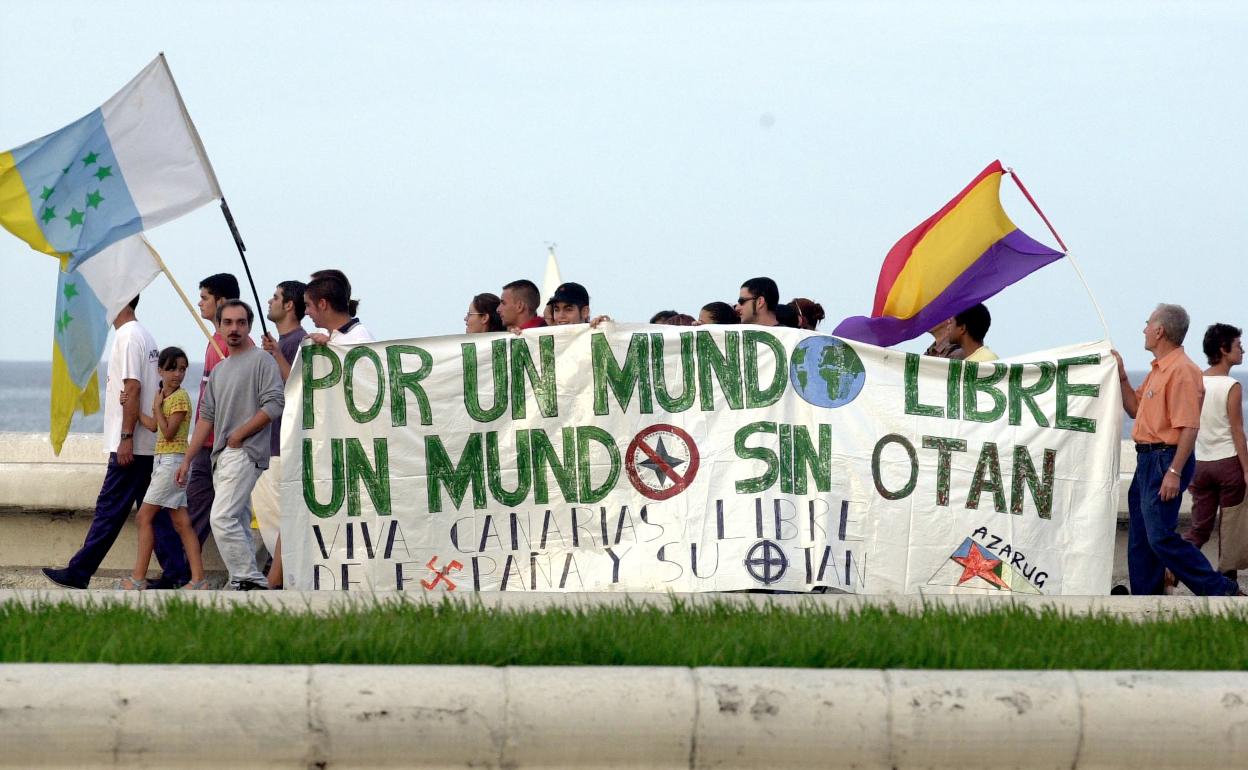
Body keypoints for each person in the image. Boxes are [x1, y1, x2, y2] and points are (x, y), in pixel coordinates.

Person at [42, 296, 189, 589]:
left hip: (132, 446)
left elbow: (132, 388)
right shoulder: (143, 335)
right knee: (155, 513)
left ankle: (79, 572)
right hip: (147, 445)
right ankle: (177, 574)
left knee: (109, 509)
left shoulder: (127, 335)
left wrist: (125, 438)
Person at [1113, 303, 1241, 596]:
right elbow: (1135, 409)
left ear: (1159, 331)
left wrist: (1174, 471)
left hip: (1164, 459)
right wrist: (1122, 377)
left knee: (1160, 537)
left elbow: (1189, 427)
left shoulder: (1182, 371)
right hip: (1146, 459)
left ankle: (1222, 590)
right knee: (1142, 538)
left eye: (1148, 324)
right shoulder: (1158, 370)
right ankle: (1146, 598)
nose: (1144, 329)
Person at [176, 300, 284, 590]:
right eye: (228, 323)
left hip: (246, 452)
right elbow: (206, 417)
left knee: (221, 517)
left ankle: (248, 577)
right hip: (220, 456)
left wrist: (239, 435)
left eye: (240, 322)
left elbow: (274, 404)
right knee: (237, 518)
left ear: (248, 325)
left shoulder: (262, 360)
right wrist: (187, 459)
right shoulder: (220, 370)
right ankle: (245, 581)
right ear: (220, 326)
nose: (234, 328)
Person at [119, 347, 208, 590]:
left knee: (144, 517)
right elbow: (152, 426)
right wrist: (132, 407)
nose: (177, 374)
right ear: (160, 370)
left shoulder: (178, 399)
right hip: (166, 462)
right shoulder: (165, 397)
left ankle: (138, 579)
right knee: (182, 523)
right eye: (171, 369)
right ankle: (198, 579)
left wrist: (157, 407)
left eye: (181, 369)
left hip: (171, 463)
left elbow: (168, 433)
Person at [256, 280, 309, 588]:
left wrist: (276, 355)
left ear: (289, 305)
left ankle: (284, 579)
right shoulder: (285, 342)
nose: (271, 301)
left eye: (276, 297)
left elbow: (296, 390)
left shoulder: (298, 341)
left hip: (281, 448)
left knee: (278, 518)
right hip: (271, 446)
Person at [185, 273, 241, 558]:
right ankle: (182, 570)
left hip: (217, 446)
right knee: (194, 511)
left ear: (221, 301)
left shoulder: (228, 347)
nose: (199, 303)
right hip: (207, 444)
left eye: (205, 298)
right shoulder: (213, 342)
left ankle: (183, 572)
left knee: (217, 514)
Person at [1185, 324, 1248, 575]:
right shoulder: (1231, 386)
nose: (1242, 350)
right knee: (1229, 529)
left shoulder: (1196, 381)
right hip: (1228, 464)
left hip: (1200, 465)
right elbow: (1236, 431)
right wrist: (1246, 469)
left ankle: (1172, 571)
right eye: (1238, 345)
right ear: (1224, 349)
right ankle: (1227, 583)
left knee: (1199, 527)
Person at [305, 274, 374, 344]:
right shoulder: (322, 336)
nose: (306, 312)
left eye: (308, 305)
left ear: (322, 304)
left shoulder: (360, 339)